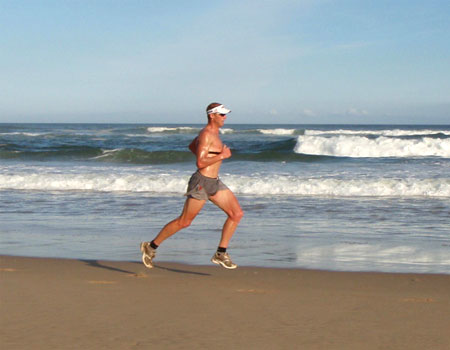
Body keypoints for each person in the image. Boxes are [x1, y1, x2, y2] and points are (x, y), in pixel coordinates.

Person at [140, 102, 244, 269]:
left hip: (214, 182)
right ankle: (150, 246)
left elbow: (191, 146)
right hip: (201, 182)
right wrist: (222, 156)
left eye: (225, 114)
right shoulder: (207, 134)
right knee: (184, 222)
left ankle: (221, 253)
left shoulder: (214, 133)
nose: (225, 117)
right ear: (212, 115)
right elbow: (200, 162)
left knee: (236, 214)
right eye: (222, 114)